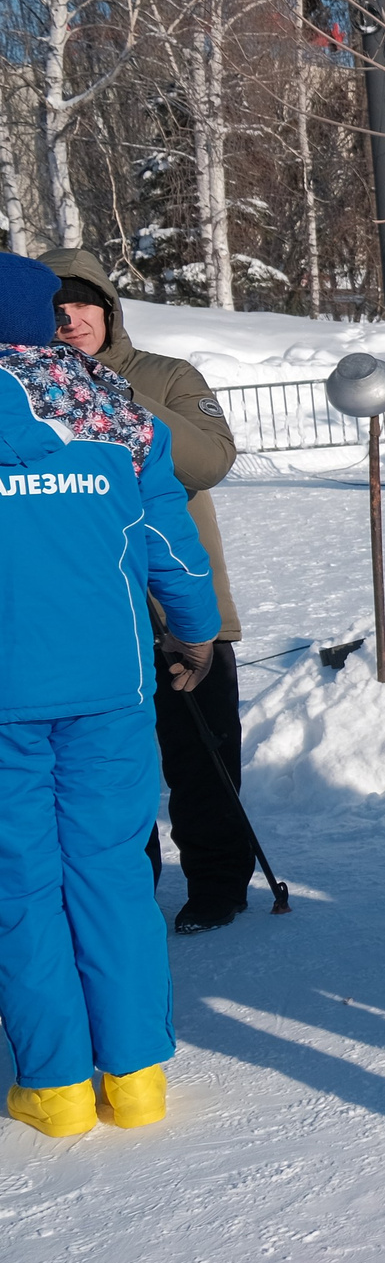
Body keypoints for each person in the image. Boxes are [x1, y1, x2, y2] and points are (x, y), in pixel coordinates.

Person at [0, 253, 221, 1139]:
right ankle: (134, 1078)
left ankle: (53, 1089)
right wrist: (195, 628)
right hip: (109, 685)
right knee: (112, 872)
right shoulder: (113, 410)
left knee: (22, 883)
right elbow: (168, 531)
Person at [41, 246, 254, 933]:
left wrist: (112, 400)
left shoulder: (165, 377)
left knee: (202, 761)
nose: (72, 319)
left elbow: (212, 460)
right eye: (57, 308)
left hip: (185, 609)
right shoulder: (30, 390)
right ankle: (132, 891)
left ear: (110, 310)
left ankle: (219, 884)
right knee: (111, 774)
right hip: (92, 617)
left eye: (84, 304)